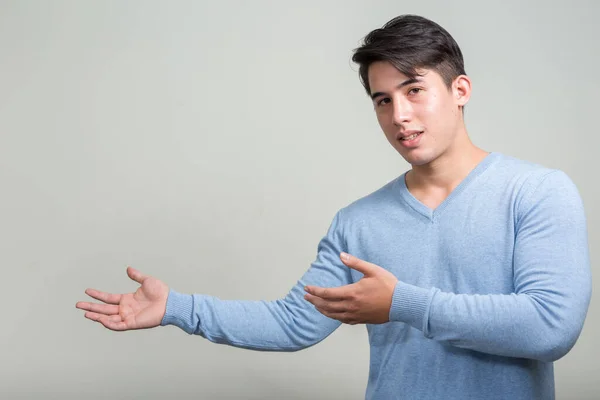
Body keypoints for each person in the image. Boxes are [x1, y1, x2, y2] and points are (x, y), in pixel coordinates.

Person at [75, 14, 592, 400]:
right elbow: (292, 323)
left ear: (460, 90)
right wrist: (176, 309)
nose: (400, 115)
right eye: (382, 99)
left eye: (415, 90)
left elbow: (550, 327)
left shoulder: (538, 192)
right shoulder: (359, 221)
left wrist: (402, 303)